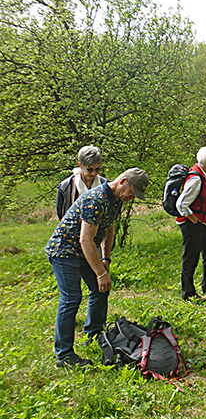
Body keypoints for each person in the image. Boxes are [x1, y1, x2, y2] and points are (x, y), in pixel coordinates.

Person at [45, 168, 149, 368]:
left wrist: (106, 260)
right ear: (123, 181)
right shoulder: (96, 199)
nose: (132, 197)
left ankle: (94, 335)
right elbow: (85, 240)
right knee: (71, 297)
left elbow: (109, 229)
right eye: (132, 191)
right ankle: (64, 355)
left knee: (102, 289)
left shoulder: (116, 199)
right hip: (64, 250)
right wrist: (100, 273)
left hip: (84, 251)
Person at [176, 147, 206, 300]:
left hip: (200, 221)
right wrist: (193, 219)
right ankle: (188, 293)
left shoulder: (203, 175)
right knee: (191, 257)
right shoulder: (196, 179)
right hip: (191, 222)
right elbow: (181, 204)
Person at [55, 145, 107, 219]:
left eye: (98, 169)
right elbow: (62, 217)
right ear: (80, 166)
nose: (94, 173)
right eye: (90, 170)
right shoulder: (65, 187)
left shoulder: (106, 185)